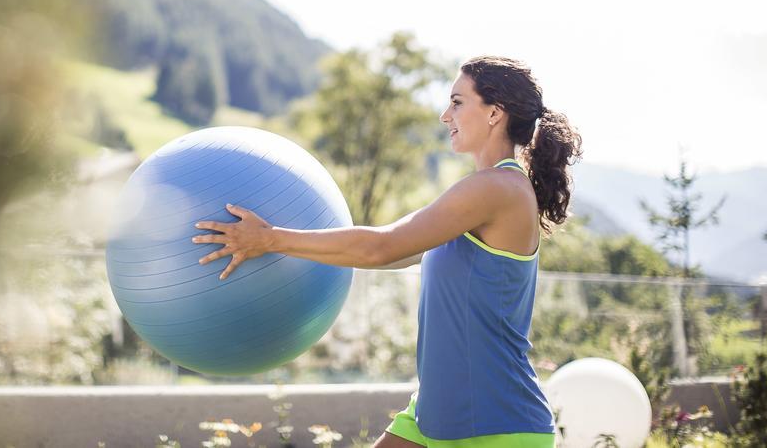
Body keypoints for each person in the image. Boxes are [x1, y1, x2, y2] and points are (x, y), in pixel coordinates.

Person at [192, 55, 583, 447]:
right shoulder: (483, 191)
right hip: (436, 413)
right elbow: (390, 252)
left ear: (495, 113)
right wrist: (282, 247)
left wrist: (270, 238)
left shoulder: (497, 188)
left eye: (457, 102)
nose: (445, 115)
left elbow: (382, 246)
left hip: (496, 423)